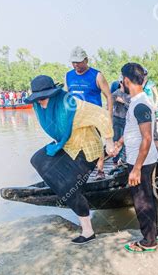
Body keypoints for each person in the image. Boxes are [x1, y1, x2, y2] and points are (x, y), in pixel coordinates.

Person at [25, 75, 114, 244]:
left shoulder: (72, 105)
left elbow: (102, 115)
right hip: (67, 145)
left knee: (69, 188)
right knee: (38, 159)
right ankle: (70, 188)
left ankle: (88, 231)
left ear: (53, 95)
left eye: (44, 98)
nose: (41, 102)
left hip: (87, 149)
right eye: (37, 99)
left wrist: (109, 142)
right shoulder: (40, 107)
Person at [113, 63, 158, 253]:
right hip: (143, 158)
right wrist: (121, 142)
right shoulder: (138, 101)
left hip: (142, 161)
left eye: (121, 78)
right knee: (147, 197)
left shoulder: (140, 104)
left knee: (141, 201)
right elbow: (135, 129)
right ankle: (153, 234)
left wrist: (136, 168)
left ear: (126, 80)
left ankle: (148, 241)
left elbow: (147, 137)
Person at [65, 46, 113, 180]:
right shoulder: (68, 75)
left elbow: (108, 95)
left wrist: (108, 115)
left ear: (86, 60)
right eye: (73, 62)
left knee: (97, 143)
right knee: (77, 144)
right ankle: (79, 172)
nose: (76, 65)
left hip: (94, 116)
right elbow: (67, 96)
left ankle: (100, 171)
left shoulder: (97, 75)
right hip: (76, 117)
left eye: (79, 62)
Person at [111, 78, 129, 166]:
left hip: (127, 119)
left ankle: (124, 160)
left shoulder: (131, 94)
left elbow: (132, 106)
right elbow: (109, 104)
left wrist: (123, 101)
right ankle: (115, 161)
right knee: (116, 139)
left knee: (126, 139)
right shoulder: (115, 93)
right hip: (116, 118)